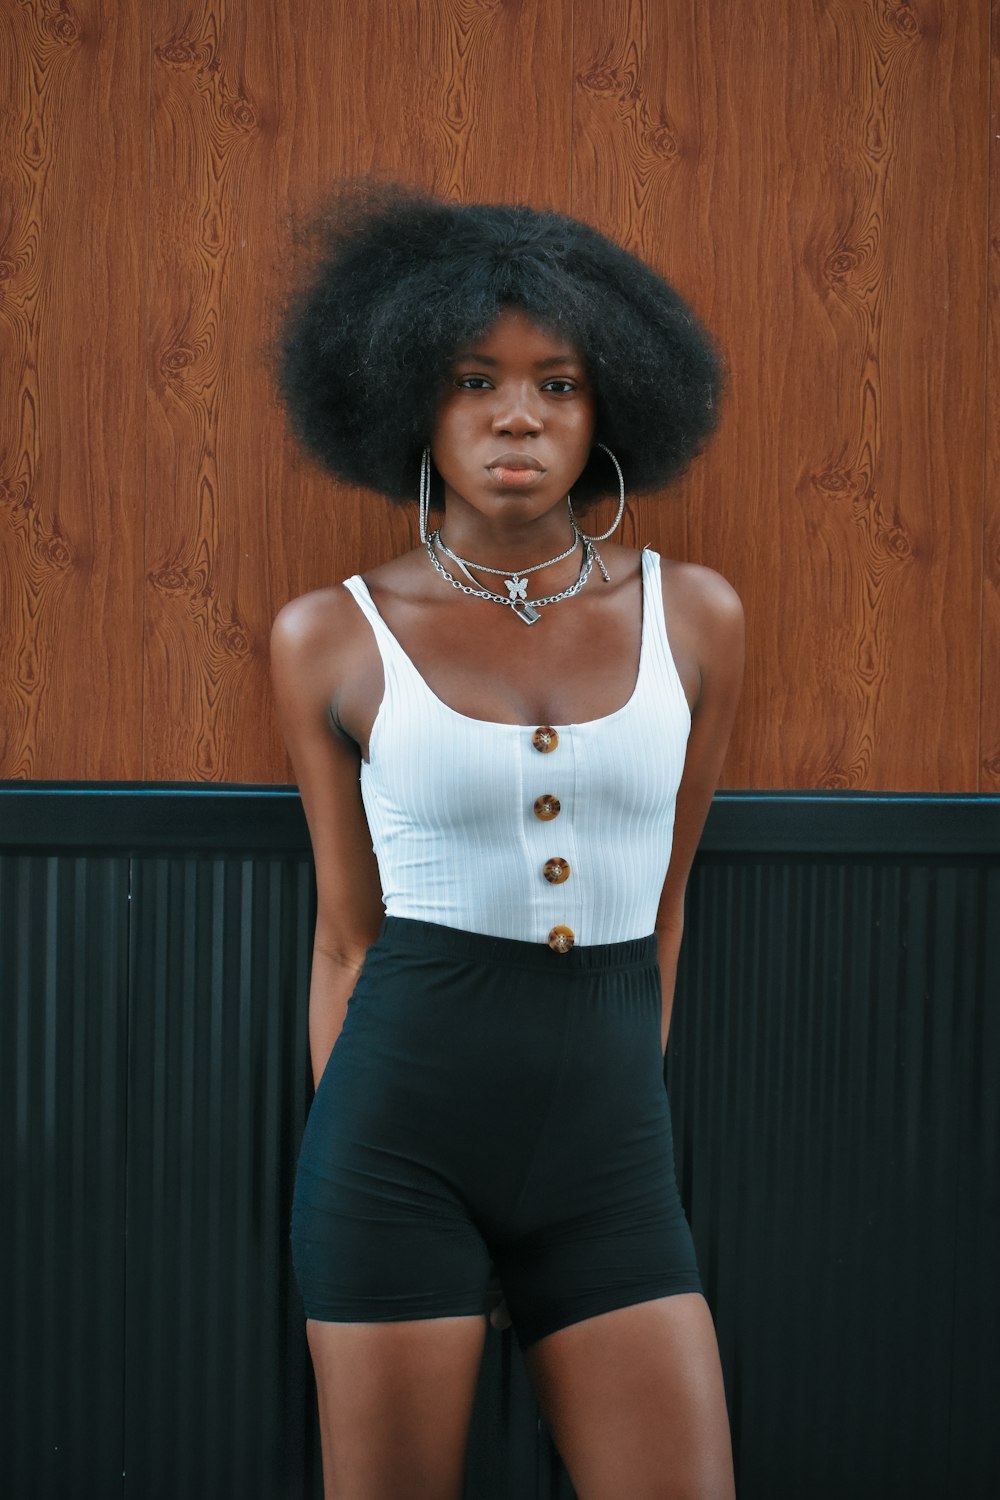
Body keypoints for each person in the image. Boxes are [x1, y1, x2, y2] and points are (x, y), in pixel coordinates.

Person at [270, 181, 744, 1500]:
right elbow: (344, 939)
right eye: (476, 380)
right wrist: (361, 1173)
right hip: (394, 1145)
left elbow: (665, 911)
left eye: (558, 383)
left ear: (610, 410)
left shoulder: (698, 618)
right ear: (414, 401)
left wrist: (601, 1118)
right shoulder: (329, 635)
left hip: (609, 1153)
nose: (519, 414)